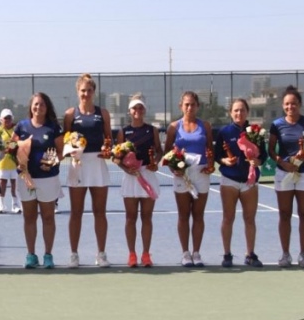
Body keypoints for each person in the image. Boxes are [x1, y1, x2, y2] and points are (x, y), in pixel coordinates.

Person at [63, 73, 111, 268]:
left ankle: (101, 254)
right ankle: (74, 254)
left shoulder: (104, 113)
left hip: (98, 165)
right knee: (76, 212)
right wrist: (71, 152)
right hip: (78, 166)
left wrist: (107, 149)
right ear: (78, 91)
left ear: (94, 92)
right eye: (83, 91)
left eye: (89, 90)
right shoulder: (70, 114)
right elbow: (65, 140)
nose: (86, 94)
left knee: (100, 212)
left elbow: (109, 139)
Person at [268, 86, 304, 268]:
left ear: (300, 104)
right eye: (287, 104)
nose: (291, 107)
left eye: (294, 104)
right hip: (284, 173)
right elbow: (271, 151)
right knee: (284, 214)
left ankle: (303, 255)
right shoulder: (276, 125)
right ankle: (285, 254)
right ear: (283, 106)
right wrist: (283, 163)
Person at [164, 91, 214, 267]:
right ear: (181, 106)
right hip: (182, 173)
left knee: (198, 215)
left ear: (197, 106)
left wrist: (211, 165)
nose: (189, 107)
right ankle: (185, 253)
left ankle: (196, 253)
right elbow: (167, 153)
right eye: (186, 104)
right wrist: (173, 167)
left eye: (193, 104)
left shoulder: (205, 126)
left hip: (201, 173)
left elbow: (210, 150)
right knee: (183, 215)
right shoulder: (173, 127)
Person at [215, 99, 267, 268]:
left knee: (249, 219)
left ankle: (250, 254)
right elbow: (217, 156)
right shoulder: (224, 132)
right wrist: (225, 161)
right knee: (228, 218)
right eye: (236, 110)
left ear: (247, 112)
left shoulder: (256, 132)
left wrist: (257, 162)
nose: (239, 113)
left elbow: (263, 155)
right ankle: (227, 255)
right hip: (229, 180)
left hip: (249, 181)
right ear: (230, 113)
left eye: (242, 110)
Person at [14, 93, 64, 269]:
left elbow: (60, 152)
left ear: (47, 107)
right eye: (35, 104)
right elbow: (13, 149)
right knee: (29, 217)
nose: (38, 107)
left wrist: (51, 162)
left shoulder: (54, 128)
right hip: (26, 178)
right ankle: (31, 255)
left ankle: (48, 255)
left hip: (48, 179)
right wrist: (19, 159)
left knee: (48, 217)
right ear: (31, 107)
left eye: (42, 104)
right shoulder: (21, 126)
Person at [114, 95, 162, 268]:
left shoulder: (152, 130)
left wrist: (155, 162)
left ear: (144, 110)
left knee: (147, 217)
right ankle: (132, 254)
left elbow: (159, 150)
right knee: (130, 217)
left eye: (140, 108)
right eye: (134, 108)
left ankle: (146, 254)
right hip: (130, 178)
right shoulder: (123, 132)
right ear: (129, 111)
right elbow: (117, 158)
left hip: (147, 175)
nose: (137, 111)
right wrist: (127, 169)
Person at [0, 108, 21, 214]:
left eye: (9, 118)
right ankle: (1, 205)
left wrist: (11, 147)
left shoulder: (16, 130)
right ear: (1, 119)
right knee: (2, 184)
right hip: (2, 163)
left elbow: (18, 142)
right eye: (5, 118)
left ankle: (15, 205)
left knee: (15, 185)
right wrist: (7, 148)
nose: (7, 120)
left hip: (15, 163)